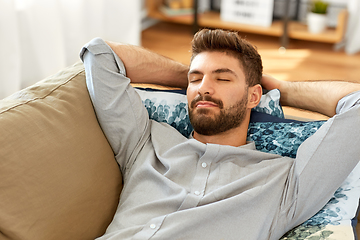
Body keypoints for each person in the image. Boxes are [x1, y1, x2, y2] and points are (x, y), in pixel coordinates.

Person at [80, 29, 360, 240]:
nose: (204, 88)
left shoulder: (284, 183)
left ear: (254, 96)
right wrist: (189, 77)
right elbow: (100, 55)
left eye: (223, 78)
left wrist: (281, 89)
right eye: (196, 78)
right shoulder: (146, 140)